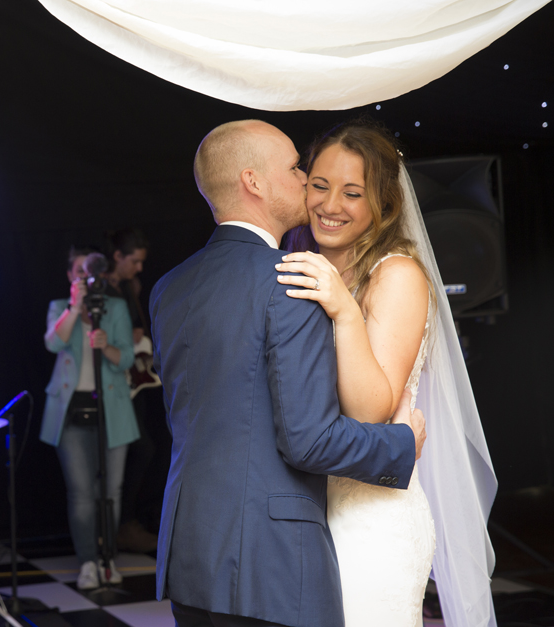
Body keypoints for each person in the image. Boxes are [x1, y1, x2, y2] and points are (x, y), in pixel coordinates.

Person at [149, 120, 427, 627]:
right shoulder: (291, 282)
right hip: (270, 556)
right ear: (254, 182)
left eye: (349, 191)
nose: (307, 184)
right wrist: (401, 444)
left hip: (192, 547)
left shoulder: (170, 286)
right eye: (302, 171)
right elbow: (308, 441)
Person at [277, 121, 497, 626]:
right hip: (301, 512)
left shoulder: (396, 275)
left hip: (369, 517)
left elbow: (370, 410)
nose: (330, 205)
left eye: (352, 193)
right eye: (320, 185)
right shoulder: (293, 260)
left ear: (383, 202)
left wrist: (344, 311)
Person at [40, 246, 140, 590]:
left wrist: (106, 346)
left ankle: (108, 558)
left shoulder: (115, 307)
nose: (85, 277)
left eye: (90, 271)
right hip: (70, 412)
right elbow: (54, 344)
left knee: (110, 490)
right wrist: (74, 305)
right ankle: (87, 562)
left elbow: (126, 357)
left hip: (111, 409)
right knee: (82, 493)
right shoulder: (59, 307)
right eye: (78, 271)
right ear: (70, 276)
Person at [104, 229, 160, 553]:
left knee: (143, 450)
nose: (139, 268)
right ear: (117, 257)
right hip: (112, 382)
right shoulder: (102, 293)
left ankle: (126, 523)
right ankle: (119, 527)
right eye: (134, 261)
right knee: (137, 450)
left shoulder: (128, 289)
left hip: (132, 381)